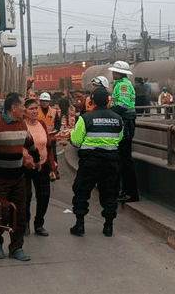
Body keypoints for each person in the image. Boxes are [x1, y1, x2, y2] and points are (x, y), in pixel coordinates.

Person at [0, 92, 40, 261]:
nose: (24, 110)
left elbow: (29, 143)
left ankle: (16, 248)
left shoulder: (21, 124)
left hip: (18, 177)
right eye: (22, 106)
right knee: (1, 213)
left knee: (20, 214)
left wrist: (37, 158)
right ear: (14, 108)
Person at [70, 87, 124, 237]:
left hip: (90, 162)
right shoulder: (118, 119)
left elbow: (75, 141)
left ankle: (79, 225)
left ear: (92, 101)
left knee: (82, 191)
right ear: (108, 100)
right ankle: (108, 227)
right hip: (111, 162)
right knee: (110, 193)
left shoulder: (85, 118)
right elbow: (119, 139)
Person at [22, 98, 59, 237]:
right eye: (31, 108)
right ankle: (25, 224)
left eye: (36, 108)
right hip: (25, 166)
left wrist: (52, 164)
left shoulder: (42, 124)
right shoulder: (21, 125)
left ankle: (39, 224)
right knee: (26, 196)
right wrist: (25, 160)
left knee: (44, 195)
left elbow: (48, 146)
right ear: (24, 111)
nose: (35, 111)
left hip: (42, 165)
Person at [108, 61, 139, 203]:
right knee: (123, 159)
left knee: (126, 160)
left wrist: (108, 113)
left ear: (119, 73)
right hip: (125, 123)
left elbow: (123, 104)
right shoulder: (120, 85)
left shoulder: (123, 85)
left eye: (114, 72)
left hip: (126, 123)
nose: (112, 74)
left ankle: (131, 193)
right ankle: (126, 191)